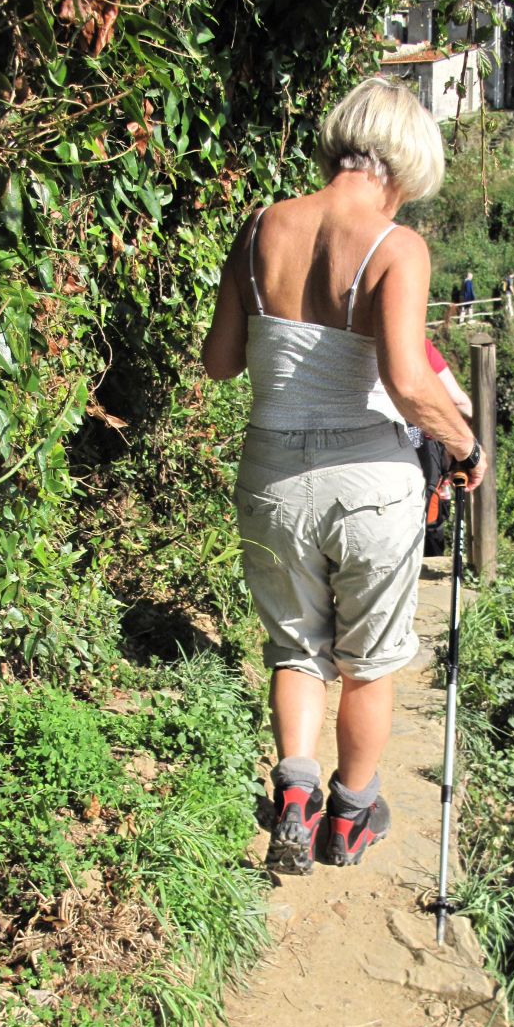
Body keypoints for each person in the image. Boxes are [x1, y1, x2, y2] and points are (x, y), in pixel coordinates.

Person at [201, 76, 487, 876]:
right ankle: (351, 815)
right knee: (369, 660)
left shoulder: (261, 226)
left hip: (270, 473)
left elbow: (219, 362)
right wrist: (463, 447)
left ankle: (293, 793)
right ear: (404, 165)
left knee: (295, 649)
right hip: (368, 482)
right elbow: (407, 379)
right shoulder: (396, 247)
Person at [419, 340, 473, 556]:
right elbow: (460, 402)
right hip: (424, 451)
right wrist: (470, 444)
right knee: (430, 525)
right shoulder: (417, 345)